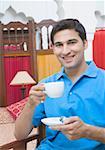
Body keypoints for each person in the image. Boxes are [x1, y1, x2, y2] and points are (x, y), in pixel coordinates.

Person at [14, 19, 105, 150]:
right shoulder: (45, 85)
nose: (65, 51)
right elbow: (19, 135)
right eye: (59, 45)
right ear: (52, 48)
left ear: (85, 44)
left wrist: (87, 131)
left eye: (71, 42)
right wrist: (30, 104)